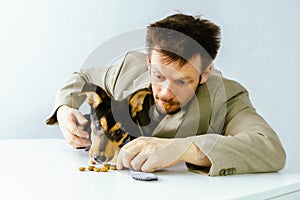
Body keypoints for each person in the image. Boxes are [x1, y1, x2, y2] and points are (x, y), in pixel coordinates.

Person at [46, 13, 286, 176]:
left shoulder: (227, 96)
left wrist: (185, 148)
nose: (164, 92)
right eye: (159, 76)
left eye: (182, 81)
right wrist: (64, 109)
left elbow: (270, 148)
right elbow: (83, 77)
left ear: (205, 74)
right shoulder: (127, 68)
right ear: (149, 61)